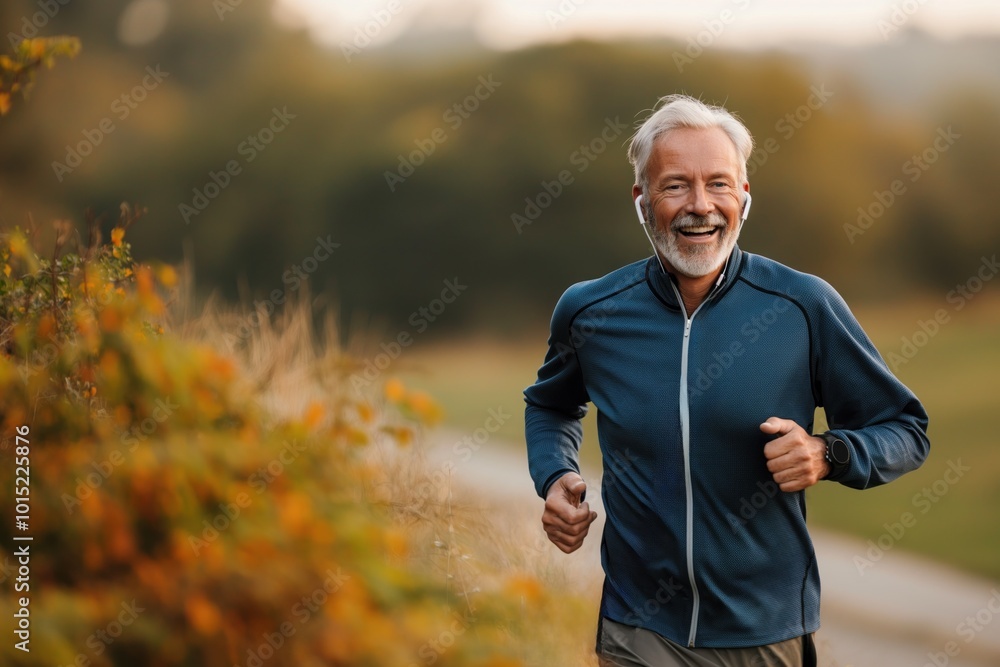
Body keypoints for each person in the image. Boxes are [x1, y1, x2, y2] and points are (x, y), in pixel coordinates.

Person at [522, 94, 930, 666]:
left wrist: (829, 452)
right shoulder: (591, 311)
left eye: (718, 184)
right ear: (641, 201)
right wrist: (555, 475)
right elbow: (550, 405)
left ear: (744, 197)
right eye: (675, 186)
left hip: (764, 637)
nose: (700, 206)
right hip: (637, 630)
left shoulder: (804, 306)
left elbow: (906, 429)